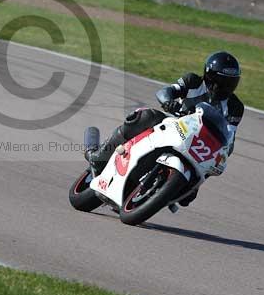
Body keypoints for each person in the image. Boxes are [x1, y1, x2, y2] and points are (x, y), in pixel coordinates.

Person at [84, 51, 244, 207]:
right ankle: (100, 155)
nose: (224, 86)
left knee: (189, 196)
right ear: (209, 75)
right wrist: (168, 102)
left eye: (230, 82)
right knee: (143, 116)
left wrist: (224, 151)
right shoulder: (193, 81)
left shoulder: (235, 106)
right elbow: (165, 91)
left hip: (200, 144)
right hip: (175, 124)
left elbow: (230, 137)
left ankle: (170, 189)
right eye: (220, 81)